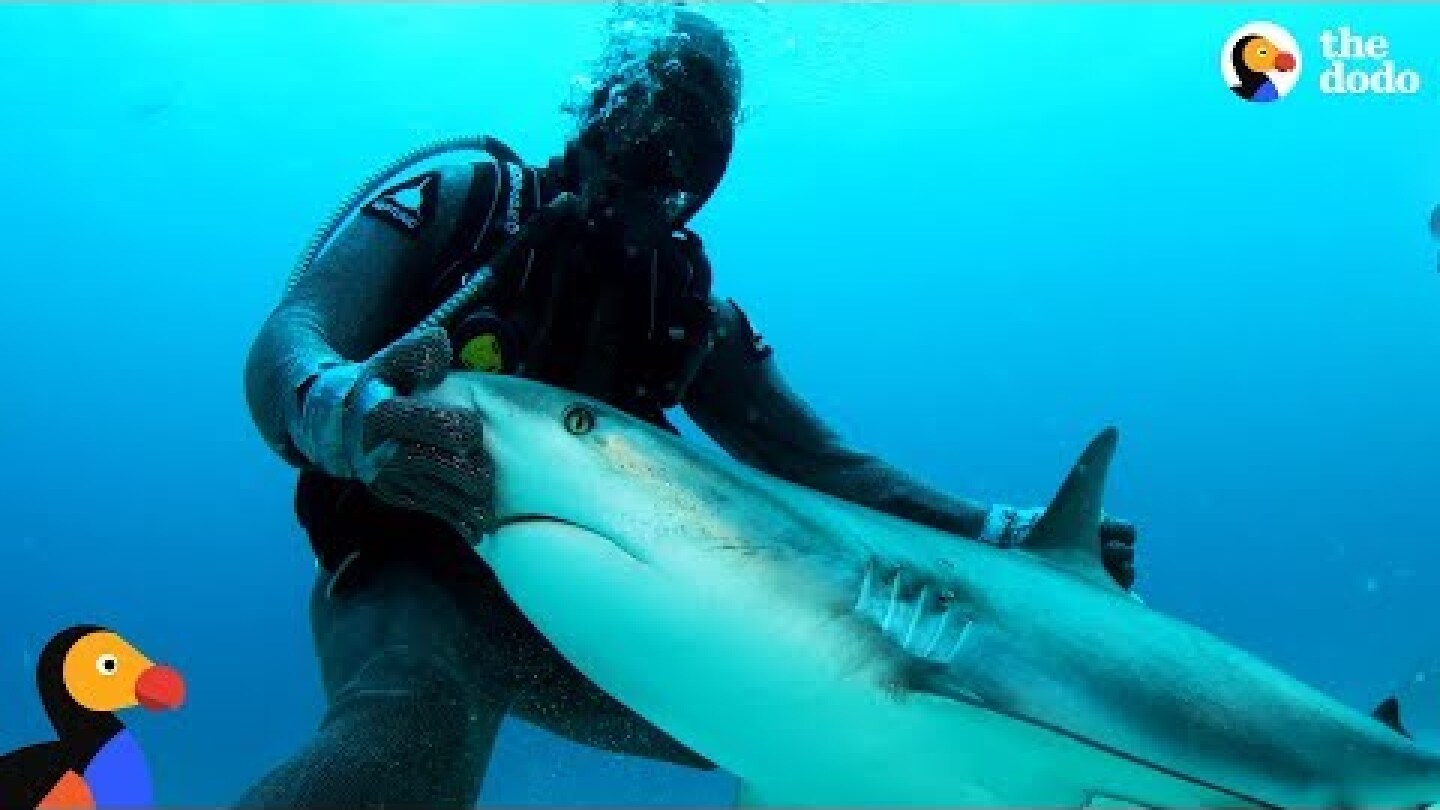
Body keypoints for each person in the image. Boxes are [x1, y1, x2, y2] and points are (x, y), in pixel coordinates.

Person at [236, 7, 1139, 808]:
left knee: (842, 718)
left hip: (603, 620)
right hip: (415, 567)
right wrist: (341, 411)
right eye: (639, 131)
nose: (652, 170)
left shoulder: (684, 312)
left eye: (686, 158)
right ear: (594, 114)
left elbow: (822, 463)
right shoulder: (468, 203)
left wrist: (1006, 532)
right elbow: (295, 333)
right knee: (406, 741)